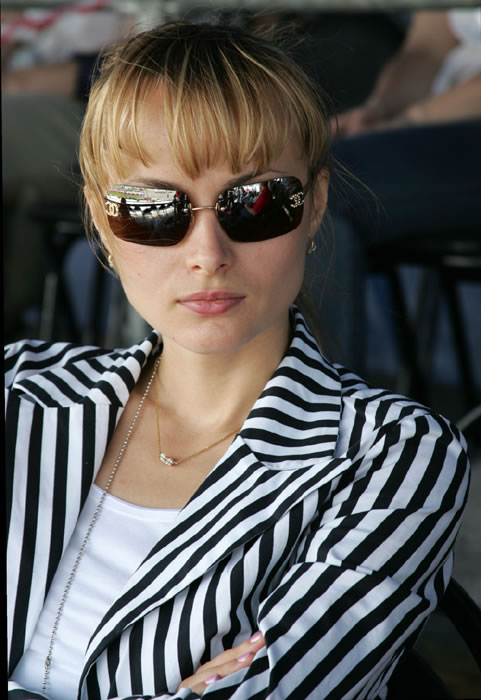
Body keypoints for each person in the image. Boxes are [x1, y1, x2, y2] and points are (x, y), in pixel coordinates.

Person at [6, 21, 470, 700]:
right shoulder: (20, 390)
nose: (207, 254)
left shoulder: (393, 454)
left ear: (314, 206)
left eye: (255, 203)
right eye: (152, 208)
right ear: (101, 220)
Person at [318, 9, 481, 374]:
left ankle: (317, 399)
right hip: (438, 127)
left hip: (454, 127)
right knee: (295, 169)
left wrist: (409, 121)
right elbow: (428, 46)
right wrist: (377, 111)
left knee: (326, 189)